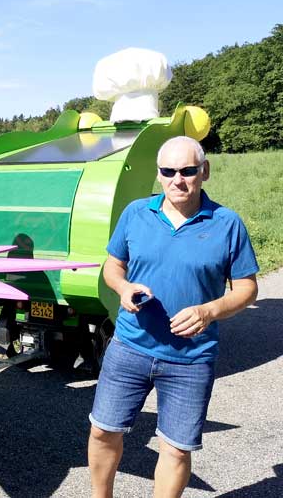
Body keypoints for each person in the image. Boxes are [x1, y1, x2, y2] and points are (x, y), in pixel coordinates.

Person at [88, 136, 259, 498]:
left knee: (176, 448)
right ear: (159, 174)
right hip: (129, 347)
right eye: (168, 171)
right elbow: (112, 266)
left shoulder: (227, 223)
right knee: (103, 431)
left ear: (204, 171)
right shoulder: (136, 213)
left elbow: (247, 288)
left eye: (187, 171)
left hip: (190, 359)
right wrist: (122, 288)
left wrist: (209, 310)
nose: (177, 180)